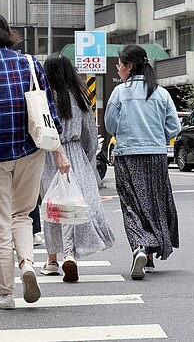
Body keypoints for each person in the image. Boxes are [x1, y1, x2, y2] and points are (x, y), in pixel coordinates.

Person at [0, 12, 69, 310]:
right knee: (22, 214)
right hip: (31, 150)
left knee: (0, 223)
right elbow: (48, 108)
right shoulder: (31, 63)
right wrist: (58, 151)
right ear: (8, 34)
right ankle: (28, 265)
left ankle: (6, 293)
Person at [105, 44, 180, 280]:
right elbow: (174, 127)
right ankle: (148, 257)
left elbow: (110, 125)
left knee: (131, 205)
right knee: (155, 202)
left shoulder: (120, 93)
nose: (118, 70)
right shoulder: (161, 93)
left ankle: (139, 246)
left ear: (129, 67)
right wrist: (158, 137)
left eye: (119, 66)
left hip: (128, 156)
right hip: (157, 155)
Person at [39, 53, 115, 282]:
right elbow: (90, 134)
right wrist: (85, 155)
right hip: (74, 153)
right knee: (72, 204)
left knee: (53, 205)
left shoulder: (42, 97)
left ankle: (52, 259)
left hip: (48, 156)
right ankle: (70, 254)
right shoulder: (79, 97)